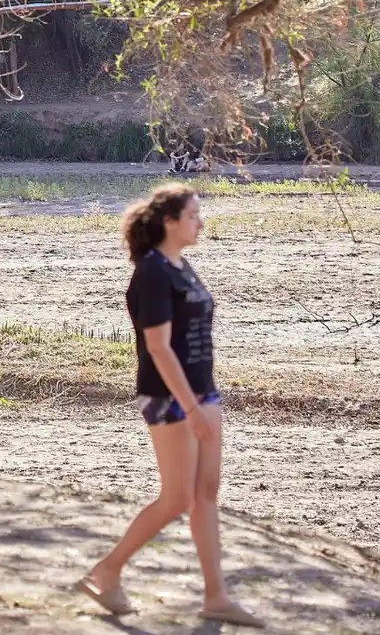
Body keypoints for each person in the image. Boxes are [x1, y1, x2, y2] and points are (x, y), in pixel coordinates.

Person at [79, 184, 263, 628]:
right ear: (170, 222)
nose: (201, 223)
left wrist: (202, 401)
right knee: (177, 496)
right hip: (168, 397)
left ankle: (216, 596)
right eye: (193, 215)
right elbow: (159, 348)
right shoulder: (152, 273)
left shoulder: (182, 266)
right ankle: (107, 571)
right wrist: (190, 408)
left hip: (203, 390)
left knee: (206, 492)